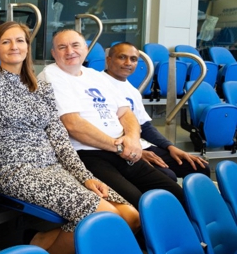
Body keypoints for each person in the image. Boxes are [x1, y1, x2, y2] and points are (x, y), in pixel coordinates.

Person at [0, 22, 138, 254]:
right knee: (103, 215)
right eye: (6, 42)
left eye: (20, 40)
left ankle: (42, 244)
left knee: (130, 216)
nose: (14, 46)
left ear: (28, 47)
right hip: (15, 169)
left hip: (53, 167)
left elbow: (60, 140)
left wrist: (85, 176)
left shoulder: (41, 88)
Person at [38, 29, 185, 207]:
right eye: (62, 47)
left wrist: (132, 140)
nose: (70, 51)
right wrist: (121, 147)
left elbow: (126, 113)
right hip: (87, 155)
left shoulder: (95, 75)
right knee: (137, 203)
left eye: (75, 45)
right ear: (54, 53)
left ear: (85, 48)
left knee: (176, 194)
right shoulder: (51, 76)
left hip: (119, 151)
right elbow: (73, 125)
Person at [104, 42, 210, 179]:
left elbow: (145, 126)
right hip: (117, 150)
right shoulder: (98, 84)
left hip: (140, 145)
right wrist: (135, 152)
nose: (128, 63)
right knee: (167, 175)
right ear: (109, 60)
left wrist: (170, 147)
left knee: (199, 167)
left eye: (133, 59)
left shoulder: (132, 91)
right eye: (122, 57)